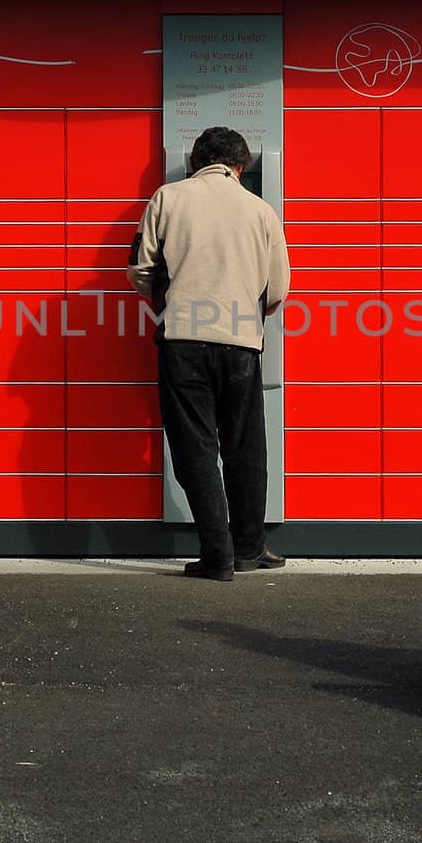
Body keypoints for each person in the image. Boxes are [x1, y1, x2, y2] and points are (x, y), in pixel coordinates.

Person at [129, 126, 291, 581]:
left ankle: (217, 557)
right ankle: (249, 548)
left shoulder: (168, 197)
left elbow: (141, 268)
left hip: (182, 340)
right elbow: (278, 288)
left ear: (195, 161)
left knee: (195, 448)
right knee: (245, 448)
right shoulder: (261, 210)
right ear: (241, 167)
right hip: (241, 343)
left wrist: (165, 302)